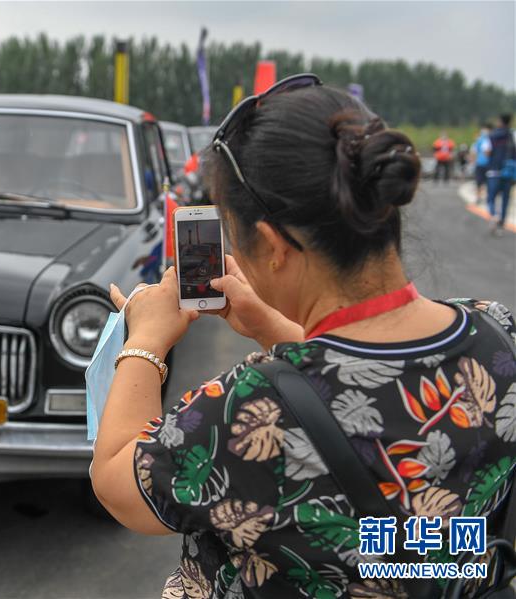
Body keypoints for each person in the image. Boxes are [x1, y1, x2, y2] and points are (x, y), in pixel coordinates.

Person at [90, 76, 515, 598]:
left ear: (273, 246)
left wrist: (147, 341)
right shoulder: (498, 334)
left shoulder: (254, 409)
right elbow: (361, 378)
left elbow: (117, 482)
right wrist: (273, 329)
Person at [485, 113, 515, 235]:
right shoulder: (513, 134)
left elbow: (487, 152)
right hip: (508, 172)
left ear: (500, 121)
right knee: (505, 199)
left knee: (491, 197)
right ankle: (501, 224)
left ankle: (493, 215)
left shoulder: (491, 135)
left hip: (494, 171)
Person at [472, 123, 492, 203]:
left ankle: (487, 197)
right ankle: (478, 197)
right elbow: (474, 151)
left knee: (487, 182)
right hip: (480, 163)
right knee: (479, 181)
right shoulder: (479, 140)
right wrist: (474, 161)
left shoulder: (492, 139)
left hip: (489, 164)